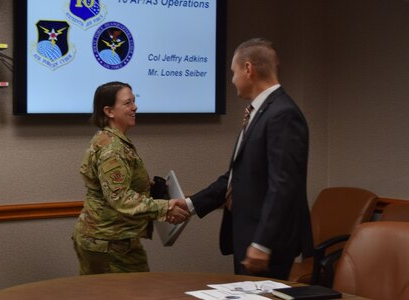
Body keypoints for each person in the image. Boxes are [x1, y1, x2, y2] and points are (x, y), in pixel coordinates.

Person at [173, 38, 314, 280]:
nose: (232, 80)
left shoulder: (283, 114)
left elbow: (284, 185)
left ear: (248, 69)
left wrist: (262, 243)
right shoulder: (259, 112)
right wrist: (191, 204)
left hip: (267, 243)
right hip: (248, 235)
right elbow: (238, 176)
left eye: (233, 72)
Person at [73, 81, 189, 275]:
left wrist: (145, 185)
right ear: (109, 111)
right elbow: (120, 197)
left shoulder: (111, 140)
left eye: (134, 101)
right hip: (110, 244)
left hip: (107, 240)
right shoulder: (113, 149)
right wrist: (166, 206)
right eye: (127, 103)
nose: (135, 107)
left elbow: (111, 186)